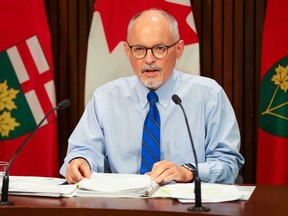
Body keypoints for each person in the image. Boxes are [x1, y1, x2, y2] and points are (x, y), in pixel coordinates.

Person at [60, 8, 244, 184]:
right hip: (123, 204)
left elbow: (228, 164)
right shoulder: (105, 98)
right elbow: (84, 150)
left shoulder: (209, 95)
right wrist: (80, 161)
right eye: (139, 49)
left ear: (179, 49)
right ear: (127, 51)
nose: (149, 60)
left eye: (160, 48)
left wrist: (188, 172)